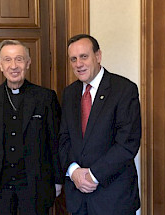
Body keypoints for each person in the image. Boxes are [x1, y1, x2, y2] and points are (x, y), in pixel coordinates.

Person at [0, 39, 63, 215]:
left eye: (19, 59)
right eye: (7, 60)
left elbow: (55, 142)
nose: (13, 66)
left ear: (28, 63)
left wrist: (58, 180)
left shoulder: (46, 97)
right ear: (0, 65)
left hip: (35, 184)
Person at [59, 34, 141, 215]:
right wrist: (74, 171)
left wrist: (93, 175)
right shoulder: (69, 93)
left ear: (98, 56)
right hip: (78, 197)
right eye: (73, 59)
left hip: (113, 197)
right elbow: (63, 138)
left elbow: (127, 143)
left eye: (84, 56)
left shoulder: (124, 89)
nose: (78, 64)